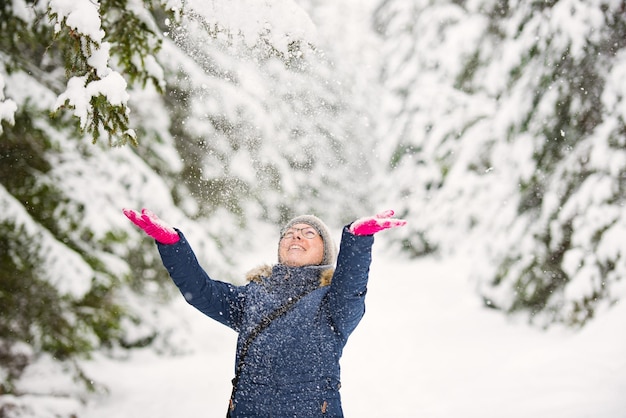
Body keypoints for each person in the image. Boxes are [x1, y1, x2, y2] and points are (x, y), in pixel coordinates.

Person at [123, 207, 406, 417]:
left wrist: (357, 241)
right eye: (290, 233)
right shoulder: (253, 297)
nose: (297, 236)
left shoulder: (333, 304)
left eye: (309, 233)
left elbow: (351, 285)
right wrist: (172, 244)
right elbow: (201, 292)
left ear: (324, 253)